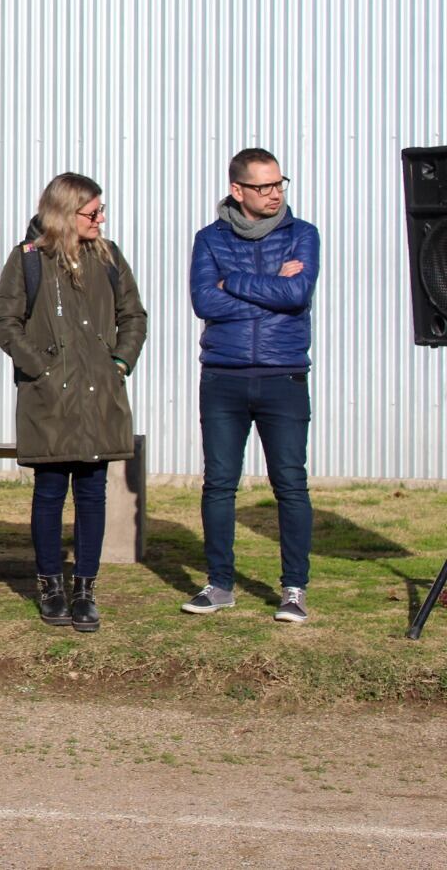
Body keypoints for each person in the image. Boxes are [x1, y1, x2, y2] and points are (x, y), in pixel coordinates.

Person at [0, 174, 148, 633]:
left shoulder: (109, 256)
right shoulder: (28, 261)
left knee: (93, 493)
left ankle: (85, 588)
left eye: (101, 212)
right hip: (49, 400)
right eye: (91, 213)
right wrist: (40, 367)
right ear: (65, 213)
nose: (101, 220)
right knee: (50, 491)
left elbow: (132, 314)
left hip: (100, 397)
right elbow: (3, 321)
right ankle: (50, 587)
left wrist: (119, 362)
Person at [183, 147, 321, 623]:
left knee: (291, 484)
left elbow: (296, 293)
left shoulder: (303, 235)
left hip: (283, 375)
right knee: (219, 484)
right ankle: (219, 584)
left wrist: (233, 284)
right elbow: (205, 301)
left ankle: (294, 590)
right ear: (237, 190)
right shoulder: (209, 239)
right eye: (263, 186)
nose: (275, 193)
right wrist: (267, 286)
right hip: (223, 376)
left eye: (280, 184)